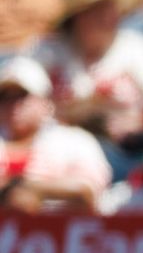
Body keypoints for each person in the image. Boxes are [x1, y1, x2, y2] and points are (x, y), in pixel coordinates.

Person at [32, 0, 143, 148]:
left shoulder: (139, 50)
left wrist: (139, 123)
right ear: (76, 15)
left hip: (125, 154)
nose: (108, 16)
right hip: (58, 153)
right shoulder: (48, 52)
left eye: (112, 6)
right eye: (97, 8)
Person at [0, 56, 111, 214]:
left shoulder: (74, 141)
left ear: (45, 100)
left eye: (21, 96)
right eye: (5, 98)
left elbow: (87, 192)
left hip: (61, 234)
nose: (13, 106)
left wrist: (25, 187)